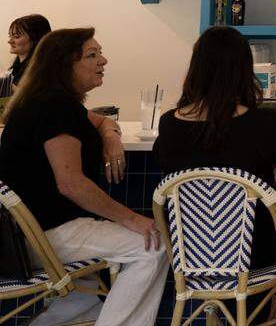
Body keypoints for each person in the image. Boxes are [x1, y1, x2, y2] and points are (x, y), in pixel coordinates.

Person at [154, 26, 276, 316]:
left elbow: (166, 164)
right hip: (256, 250)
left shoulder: (170, 124)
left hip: (192, 250)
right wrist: (261, 174)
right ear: (243, 70)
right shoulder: (263, 122)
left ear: (196, 68)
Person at [0, 28, 166, 326]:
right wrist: (131, 219)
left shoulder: (48, 100)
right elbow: (71, 184)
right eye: (92, 55)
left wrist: (111, 136)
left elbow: (101, 119)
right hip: (49, 234)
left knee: (83, 298)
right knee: (154, 245)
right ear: (64, 64)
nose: (103, 60)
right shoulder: (55, 106)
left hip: (27, 236)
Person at [7, 13, 51, 88]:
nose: (10, 41)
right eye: (10, 36)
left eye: (16, 36)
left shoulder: (37, 73)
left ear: (36, 39)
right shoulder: (15, 69)